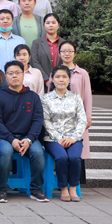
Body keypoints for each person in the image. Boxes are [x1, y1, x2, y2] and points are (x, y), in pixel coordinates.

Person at [0, 61, 48, 203]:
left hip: (27, 137)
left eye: (18, 72)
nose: (14, 76)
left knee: (38, 153)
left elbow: (37, 120)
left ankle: (36, 189)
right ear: (6, 76)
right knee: (6, 152)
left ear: (23, 75)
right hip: (4, 137)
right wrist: (11, 140)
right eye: (10, 73)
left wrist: (29, 139)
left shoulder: (33, 97)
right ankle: (2, 189)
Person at [42, 65, 87, 202]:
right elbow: (45, 121)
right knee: (61, 157)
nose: (61, 79)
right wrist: (59, 138)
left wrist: (73, 138)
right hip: (52, 139)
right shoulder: (45, 99)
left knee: (74, 158)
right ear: (52, 79)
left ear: (69, 79)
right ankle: (63, 188)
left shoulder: (76, 97)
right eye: (57, 77)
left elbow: (82, 120)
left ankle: (73, 187)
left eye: (64, 76)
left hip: (73, 138)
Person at [57, 41, 92, 162]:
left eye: (70, 51)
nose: (67, 54)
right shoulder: (55, 72)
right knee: (61, 150)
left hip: (77, 117)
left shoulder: (82, 73)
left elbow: (87, 96)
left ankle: (77, 174)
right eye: (64, 51)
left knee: (77, 150)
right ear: (59, 54)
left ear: (75, 53)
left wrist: (88, 116)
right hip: (59, 117)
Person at [31, 13, 63, 85]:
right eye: (48, 23)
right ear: (44, 25)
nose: (50, 25)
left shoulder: (64, 43)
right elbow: (35, 62)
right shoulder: (36, 43)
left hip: (61, 82)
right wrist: (46, 79)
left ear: (58, 25)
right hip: (42, 82)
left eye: (53, 23)